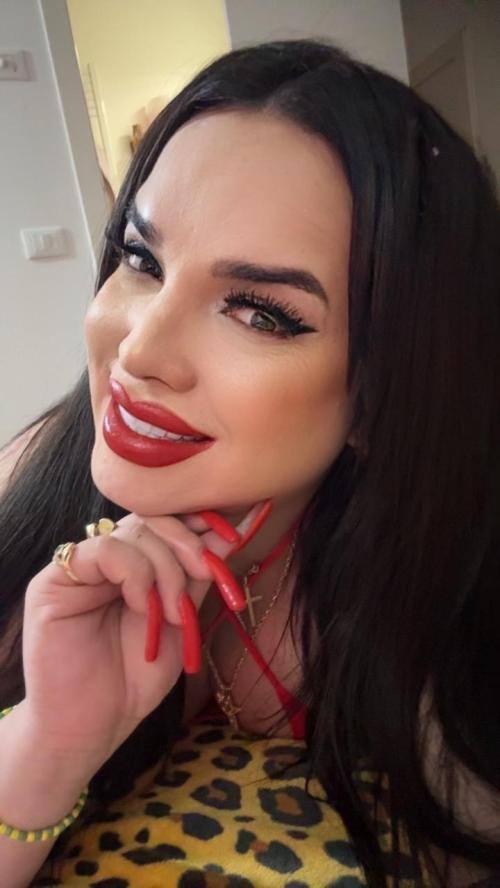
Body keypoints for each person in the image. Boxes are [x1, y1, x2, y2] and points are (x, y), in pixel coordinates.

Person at [0, 37, 498, 888]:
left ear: (383, 393)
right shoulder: (29, 480)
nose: (138, 353)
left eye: (260, 312)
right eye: (141, 259)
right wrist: (50, 742)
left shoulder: (442, 610)